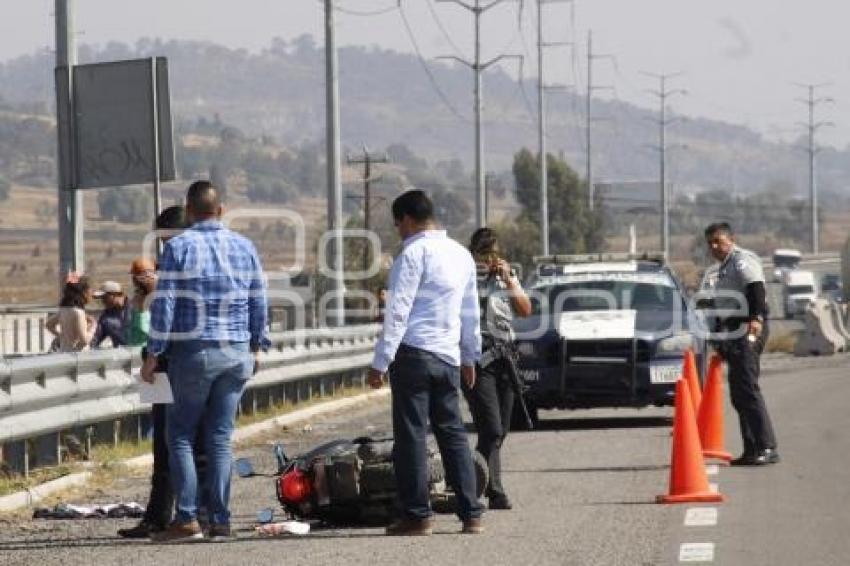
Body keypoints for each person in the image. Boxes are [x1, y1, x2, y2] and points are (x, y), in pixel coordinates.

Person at [143, 181, 269, 542]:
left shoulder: (178, 247)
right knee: (219, 438)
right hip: (237, 354)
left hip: (194, 353)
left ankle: (186, 518)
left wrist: (154, 355)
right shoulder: (245, 247)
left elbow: (165, 304)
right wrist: (257, 345)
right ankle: (220, 520)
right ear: (221, 209)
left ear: (189, 209)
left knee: (179, 435)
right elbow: (258, 300)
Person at [367, 189, 485, 536]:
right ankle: (471, 513)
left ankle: (417, 515)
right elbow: (470, 313)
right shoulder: (461, 255)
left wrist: (380, 361)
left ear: (406, 219)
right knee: (453, 435)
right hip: (447, 357)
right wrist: (469, 356)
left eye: (397, 223)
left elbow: (398, 310)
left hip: (414, 354)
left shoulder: (412, 254)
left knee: (412, 437)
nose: (398, 230)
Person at [118, 207, 187, 539]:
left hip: (164, 364)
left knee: (165, 442)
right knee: (184, 443)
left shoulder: (174, 270)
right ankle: (189, 515)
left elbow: (165, 319)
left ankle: (160, 516)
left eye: (162, 238)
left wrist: (153, 356)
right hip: (177, 364)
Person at [463, 227, 531, 510]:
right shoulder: (463, 277)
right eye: (483, 254)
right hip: (478, 359)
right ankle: (472, 485)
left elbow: (525, 310)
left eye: (493, 253)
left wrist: (510, 283)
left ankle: (491, 488)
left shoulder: (507, 276)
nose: (489, 259)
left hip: (505, 359)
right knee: (489, 428)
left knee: (501, 429)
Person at [704, 222, 779, 466]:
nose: (714, 247)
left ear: (731, 239)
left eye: (718, 241)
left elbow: (755, 288)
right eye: (710, 243)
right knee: (738, 392)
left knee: (747, 386)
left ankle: (767, 447)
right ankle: (752, 448)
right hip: (733, 330)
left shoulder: (741, 260)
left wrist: (756, 318)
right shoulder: (723, 268)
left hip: (748, 327)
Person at [46, 273, 96, 352]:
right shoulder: (78, 312)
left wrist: (62, 337)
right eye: (90, 291)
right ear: (83, 292)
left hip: (64, 352)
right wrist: (93, 325)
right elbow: (84, 340)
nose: (91, 294)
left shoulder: (64, 310)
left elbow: (49, 325)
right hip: (78, 357)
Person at [91, 280, 132, 348]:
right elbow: (95, 340)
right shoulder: (105, 318)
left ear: (115, 294)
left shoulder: (137, 308)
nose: (103, 301)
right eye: (102, 298)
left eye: (105, 297)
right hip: (122, 356)